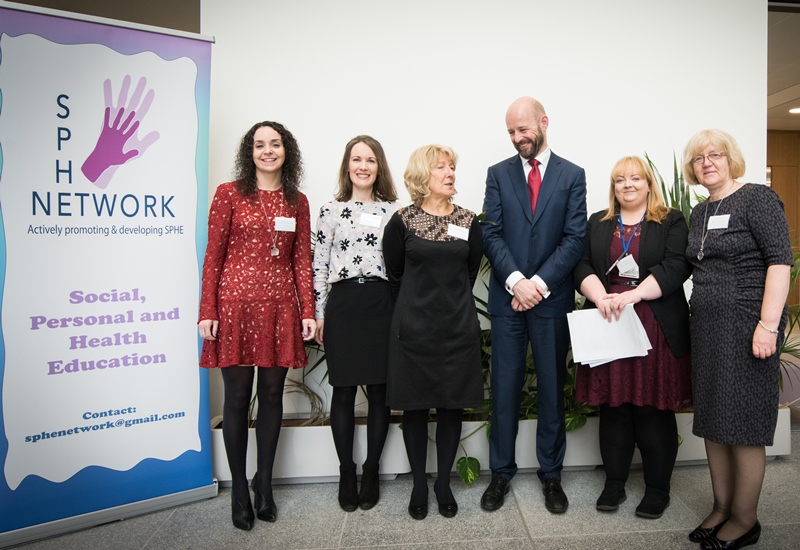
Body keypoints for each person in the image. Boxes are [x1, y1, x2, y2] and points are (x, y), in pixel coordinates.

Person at [198, 121, 316, 531]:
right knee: (235, 399)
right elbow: (213, 255)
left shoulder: (296, 201)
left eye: (276, 144)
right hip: (233, 307)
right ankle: (238, 491)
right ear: (250, 152)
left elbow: (302, 261)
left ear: (287, 151)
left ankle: (263, 482)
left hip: (281, 307)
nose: (268, 151)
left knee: (271, 395)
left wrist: (308, 311)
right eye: (260, 144)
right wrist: (206, 310)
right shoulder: (229, 194)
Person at [684, 130, 792, 549]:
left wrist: (768, 325)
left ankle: (746, 518)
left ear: (731, 159)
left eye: (716, 155)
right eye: (699, 158)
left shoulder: (757, 199)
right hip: (708, 329)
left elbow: (779, 263)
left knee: (743, 424)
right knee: (714, 419)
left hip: (749, 325)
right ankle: (722, 506)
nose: (708, 162)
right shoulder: (698, 212)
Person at [480, 96, 586, 514]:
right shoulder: (497, 174)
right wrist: (516, 282)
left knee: (551, 391)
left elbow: (575, 238)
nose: (517, 138)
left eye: (523, 130)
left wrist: (538, 284)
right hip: (508, 301)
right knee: (503, 391)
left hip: (552, 300)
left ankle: (551, 475)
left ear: (543, 122)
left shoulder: (572, 175)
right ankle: (500, 475)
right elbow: (491, 234)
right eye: (510, 132)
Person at [573, 156, 693, 519]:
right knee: (614, 408)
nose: (628, 184)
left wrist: (634, 295)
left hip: (652, 321)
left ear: (648, 183)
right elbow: (581, 265)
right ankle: (614, 483)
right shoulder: (599, 222)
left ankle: (658, 490)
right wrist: (600, 296)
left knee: (651, 409)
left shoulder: (670, 219)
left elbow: (676, 265)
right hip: (609, 318)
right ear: (614, 186)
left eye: (635, 178)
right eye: (620, 179)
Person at [383, 145, 484, 520]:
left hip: (457, 328)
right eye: (441, 167)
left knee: (451, 405)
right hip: (413, 331)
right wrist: (415, 309)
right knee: (414, 406)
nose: (450, 173)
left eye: (452, 167)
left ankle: (443, 482)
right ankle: (420, 486)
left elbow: (469, 272)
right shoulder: (403, 221)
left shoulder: (469, 220)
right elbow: (395, 274)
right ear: (424, 175)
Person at [313, 135, 398, 512]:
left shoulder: (395, 211)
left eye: (370, 160)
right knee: (344, 391)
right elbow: (318, 267)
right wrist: (318, 314)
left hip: (382, 303)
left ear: (379, 166)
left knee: (379, 392)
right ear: (347, 166)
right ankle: (346, 470)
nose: (363, 166)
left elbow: (402, 266)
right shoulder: (329, 210)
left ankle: (371, 470)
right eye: (356, 159)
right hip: (344, 304)